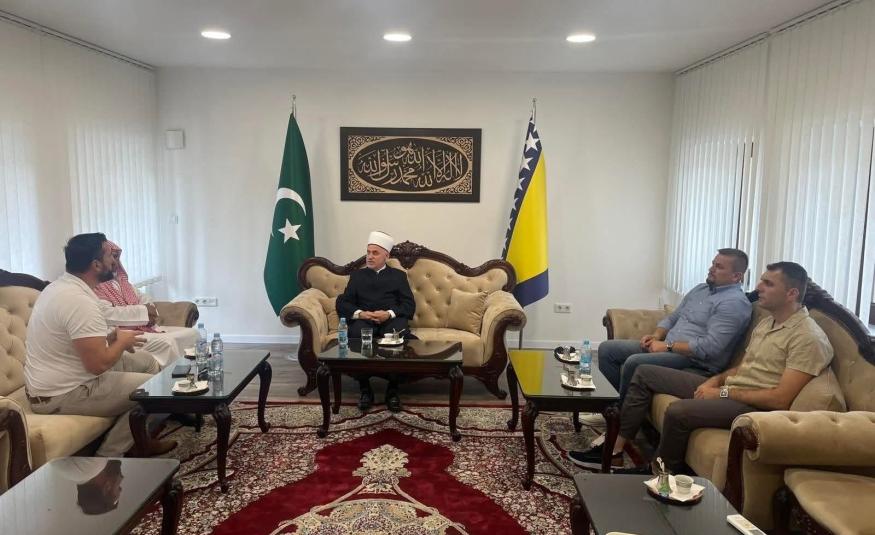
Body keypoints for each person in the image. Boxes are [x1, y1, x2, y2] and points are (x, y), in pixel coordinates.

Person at [577, 262, 833, 472]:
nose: (758, 288)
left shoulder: (807, 337)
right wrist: (716, 381)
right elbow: (744, 366)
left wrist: (722, 392)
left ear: (791, 294)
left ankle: (661, 473)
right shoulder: (768, 322)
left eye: (768, 283)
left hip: (754, 406)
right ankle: (615, 448)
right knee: (644, 373)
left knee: (678, 411)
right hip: (731, 388)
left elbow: (780, 399)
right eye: (761, 281)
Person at [569, 249, 752, 467]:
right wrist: (656, 335)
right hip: (668, 348)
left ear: (737, 276)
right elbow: (673, 317)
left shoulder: (734, 303)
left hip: (695, 362)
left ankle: (618, 427)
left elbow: (710, 348)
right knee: (608, 350)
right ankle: (612, 411)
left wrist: (668, 345)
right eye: (713, 263)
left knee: (635, 363)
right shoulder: (701, 289)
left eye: (719, 267)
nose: (711, 269)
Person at [24, 233, 176, 457]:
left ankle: (140, 440)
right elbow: (98, 365)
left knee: (146, 361)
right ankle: (107, 458)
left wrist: (111, 339)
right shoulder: (78, 301)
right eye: (110, 256)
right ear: (96, 265)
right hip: (61, 393)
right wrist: (121, 342)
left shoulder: (66, 287)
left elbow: (78, 343)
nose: (115, 261)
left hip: (66, 378)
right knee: (155, 390)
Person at [336, 231, 415, 412]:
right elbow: (343, 303)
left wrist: (388, 314)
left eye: (375, 253)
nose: (369, 257)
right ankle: (365, 389)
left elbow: (409, 305)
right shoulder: (357, 275)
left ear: (386, 256)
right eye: (368, 252)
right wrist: (360, 313)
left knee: (398, 336)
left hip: (390, 321)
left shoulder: (398, 276)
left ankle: (392, 390)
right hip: (365, 321)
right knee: (356, 334)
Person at [93, 240, 198, 367]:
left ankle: (194, 371)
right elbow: (109, 314)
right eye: (111, 257)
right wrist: (144, 313)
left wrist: (149, 310)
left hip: (147, 327)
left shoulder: (121, 281)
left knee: (193, 334)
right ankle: (173, 376)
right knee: (169, 343)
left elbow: (144, 299)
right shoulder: (96, 287)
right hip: (125, 333)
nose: (114, 261)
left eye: (116, 257)